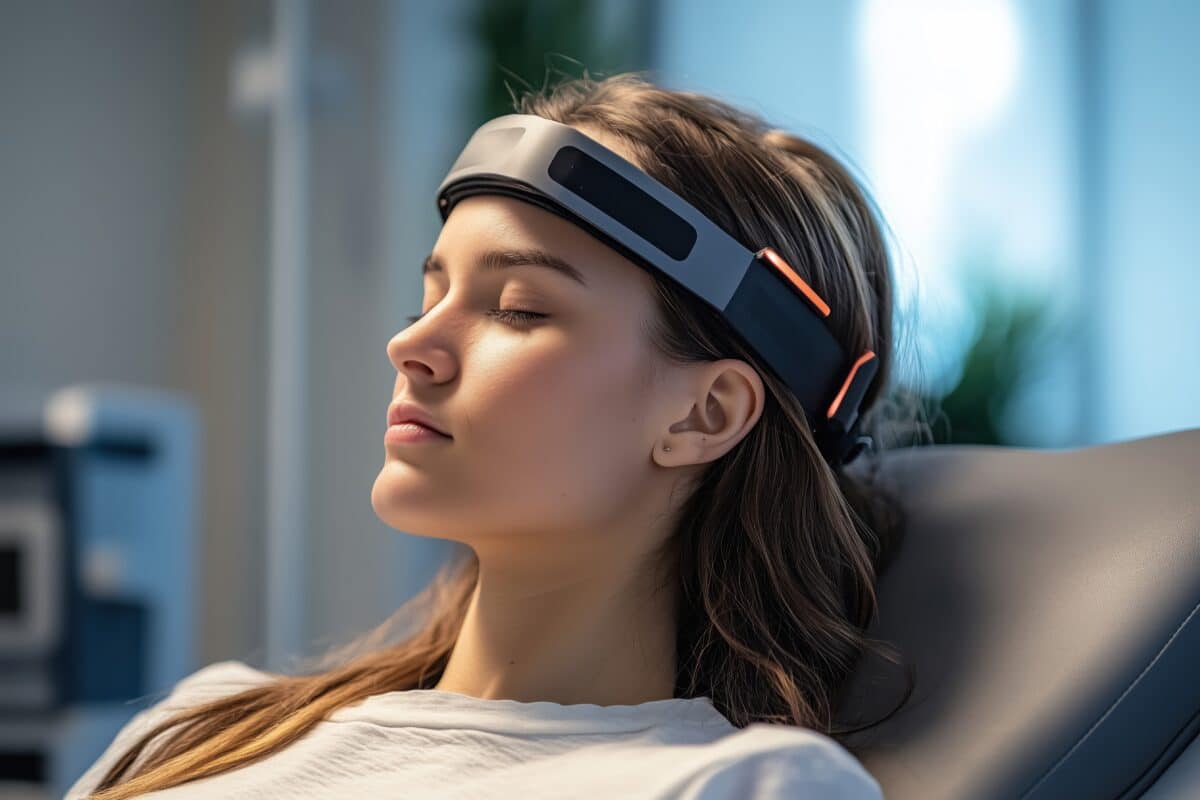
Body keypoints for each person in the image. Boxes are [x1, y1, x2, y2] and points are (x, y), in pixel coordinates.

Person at [69, 70, 921, 799]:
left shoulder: (741, 785)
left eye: (518, 309)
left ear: (705, 415)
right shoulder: (205, 724)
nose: (410, 345)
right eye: (428, 296)